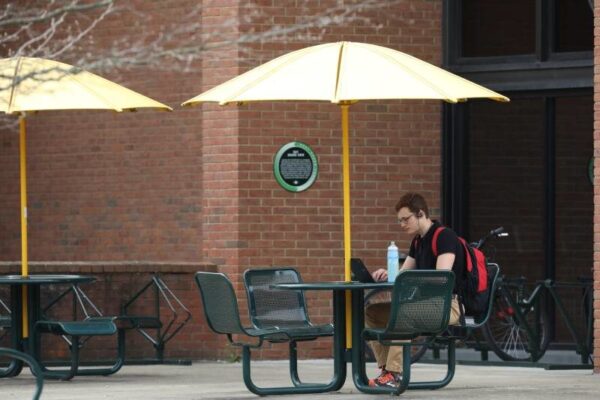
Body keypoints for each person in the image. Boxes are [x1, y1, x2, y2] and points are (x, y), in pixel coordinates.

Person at [365, 192, 465, 388]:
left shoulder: (444, 236)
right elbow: (403, 275)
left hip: (449, 305)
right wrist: (388, 273)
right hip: (425, 304)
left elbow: (442, 279)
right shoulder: (418, 241)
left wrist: (411, 285)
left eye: (405, 219)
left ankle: (394, 374)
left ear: (420, 214)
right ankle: (387, 370)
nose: (402, 224)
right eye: (400, 221)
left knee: (404, 312)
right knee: (371, 313)